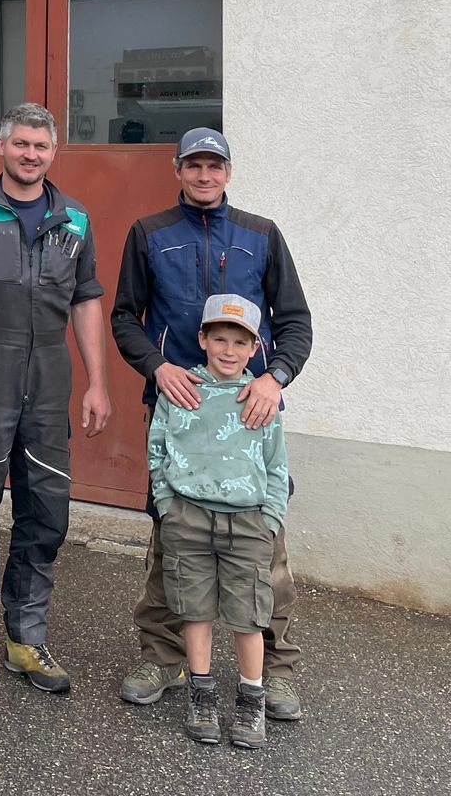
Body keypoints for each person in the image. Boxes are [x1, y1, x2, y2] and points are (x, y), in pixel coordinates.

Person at [110, 127, 313, 721]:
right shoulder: (149, 234)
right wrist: (157, 366)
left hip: (249, 417)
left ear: (229, 172)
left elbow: (296, 322)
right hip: (182, 413)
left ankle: (275, 671)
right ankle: (162, 656)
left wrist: (274, 377)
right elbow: (125, 317)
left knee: (265, 552)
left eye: (214, 166)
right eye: (193, 165)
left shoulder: (262, 235)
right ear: (177, 169)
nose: (204, 176)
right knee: (171, 539)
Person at [0, 103, 111, 696]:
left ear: (54, 153)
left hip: (50, 371)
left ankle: (25, 637)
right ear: (1, 145)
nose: (32, 155)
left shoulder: (75, 219)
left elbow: (86, 301)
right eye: (22, 144)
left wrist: (97, 382)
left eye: (42, 147)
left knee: (48, 509)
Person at [148, 294, 289, 749]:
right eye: (220, 339)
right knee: (195, 610)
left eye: (240, 343)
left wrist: (269, 517)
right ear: (203, 339)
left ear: (254, 349)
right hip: (187, 517)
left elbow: (275, 464)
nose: (229, 351)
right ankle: (201, 695)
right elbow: (158, 449)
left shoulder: (260, 396)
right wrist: (167, 505)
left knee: (248, 615)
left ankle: (252, 700)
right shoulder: (183, 390)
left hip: (247, 522)